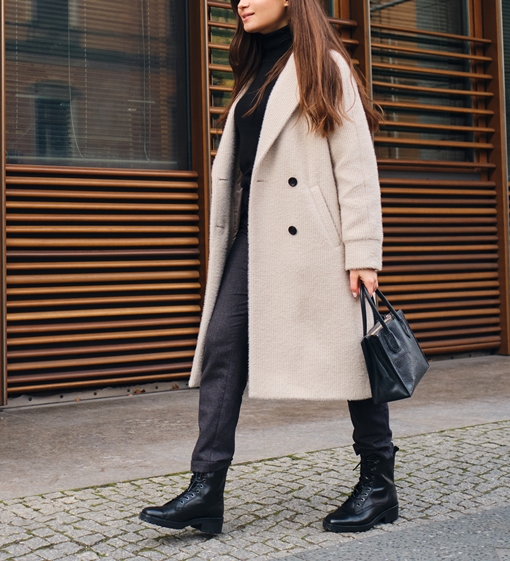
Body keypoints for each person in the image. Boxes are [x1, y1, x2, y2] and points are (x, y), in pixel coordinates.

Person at [138, 0, 394, 535]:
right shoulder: (256, 69)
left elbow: (356, 164)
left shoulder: (325, 65)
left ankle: (378, 484)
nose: (241, 3)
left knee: (356, 358)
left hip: (317, 242)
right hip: (256, 240)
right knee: (222, 348)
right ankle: (205, 489)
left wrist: (364, 252)